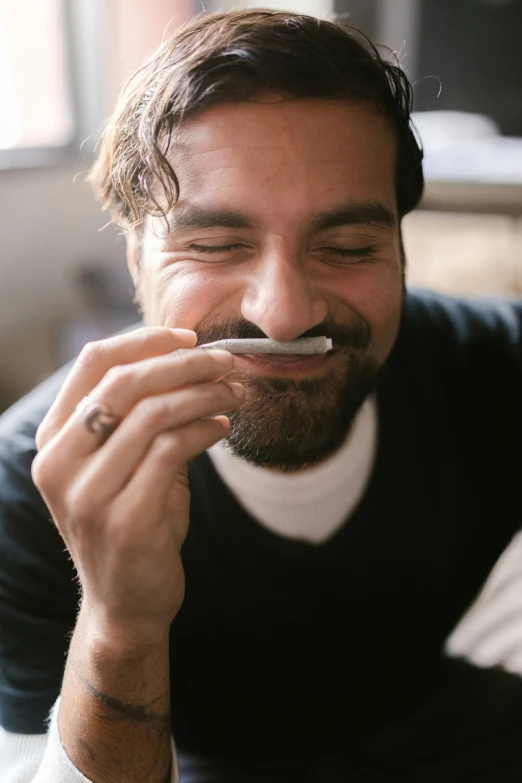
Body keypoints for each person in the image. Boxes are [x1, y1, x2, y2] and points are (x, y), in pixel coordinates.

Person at [1, 9, 522, 782]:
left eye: (348, 247)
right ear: (135, 257)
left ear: (403, 247)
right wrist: (120, 621)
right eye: (214, 245)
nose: (285, 314)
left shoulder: (494, 366)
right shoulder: (33, 486)